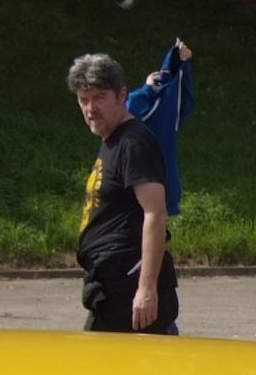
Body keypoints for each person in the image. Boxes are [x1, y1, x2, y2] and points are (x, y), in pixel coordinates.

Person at [67, 52, 175, 334]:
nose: (91, 108)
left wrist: (146, 289)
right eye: (84, 99)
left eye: (99, 97)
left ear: (122, 95)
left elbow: (155, 213)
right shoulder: (114, 141)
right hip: (110, 287)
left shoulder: (133, 143)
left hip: (128, 289)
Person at [126, 37, 195, 224]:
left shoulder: (150, 110)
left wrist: (149, 88)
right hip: (154, 184)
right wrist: (150, 88)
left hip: (146, 185)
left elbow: (131, 108)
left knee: (150, 231)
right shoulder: (162, 110)